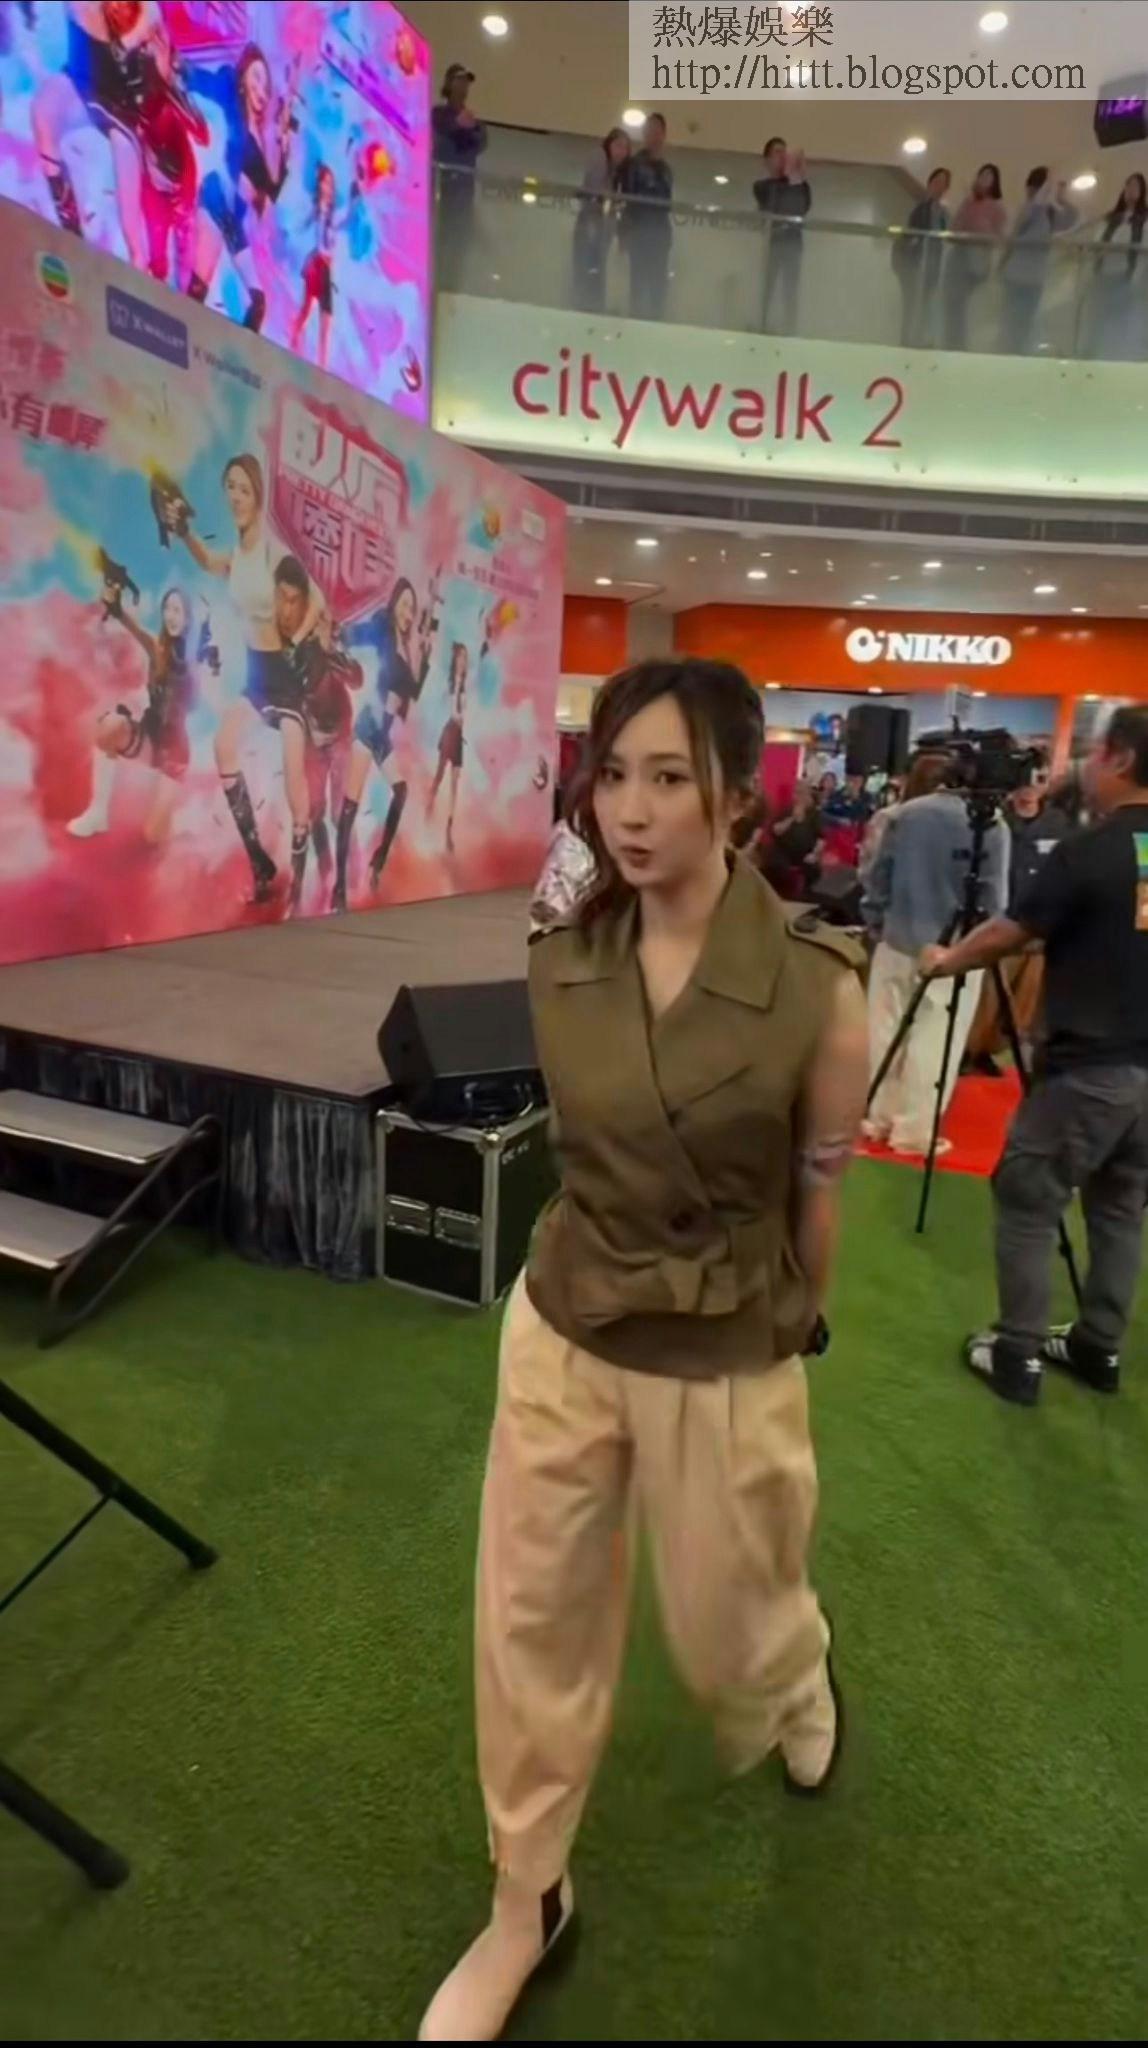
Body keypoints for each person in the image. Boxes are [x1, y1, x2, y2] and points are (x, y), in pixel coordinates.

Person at [417, 657, 868, 2043]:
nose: (631, 807)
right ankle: (527, 1898)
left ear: (735, 795)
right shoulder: (563, 956)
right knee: (531, 1623)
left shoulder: (818, 989)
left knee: (734, 1634)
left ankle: (798, 1662)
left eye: (669, 777)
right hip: (568, 1321)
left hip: (725, 1342)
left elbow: (817, 1194)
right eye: (612, 773)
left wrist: (794, 1325)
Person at [920, 707, 1148, 1407]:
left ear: (1118, 757)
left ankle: (1015, 1351)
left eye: (1095, 752)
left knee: (1028, 1198)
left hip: (1088, 1066)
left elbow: (1010, 932)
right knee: (1121, 1207)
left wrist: (945, 961)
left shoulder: (1092, 850)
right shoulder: (1128, 851)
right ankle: (1098, 1345)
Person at [169, 454, 323, 906]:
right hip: (256, 675)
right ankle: (260, 861)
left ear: (259, 495)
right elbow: (208, 561)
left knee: (294, 779)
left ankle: (298, 872)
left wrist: (296, 639)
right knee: (224, 747)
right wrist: (184, 531)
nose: (235, 497)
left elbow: (315, 601)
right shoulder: (238, 555)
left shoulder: (275, 553)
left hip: (284, 676)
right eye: (230, 488)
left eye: (244, 489)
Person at [863, 758, 1010, 1155]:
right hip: (958, 950)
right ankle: (914, 1130)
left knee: (884, 1030)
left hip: (897, 939)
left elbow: (877, 876)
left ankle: (878, 1117)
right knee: (937, 1037)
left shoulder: (902, 816)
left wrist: (876, 920)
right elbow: (995, 897)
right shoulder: (992, 824)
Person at [332, 571, 443, 912]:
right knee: (350, 806)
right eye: (405, 604)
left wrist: (426, 656)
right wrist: (341, 635)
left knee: (401, 791)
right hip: (369, 726)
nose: (408, 612)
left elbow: (413, 691)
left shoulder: (404, 649)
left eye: (412, 608)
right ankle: (339, 886)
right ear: (394, 603)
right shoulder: (381, 629)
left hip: (382, 734)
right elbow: (356, 635)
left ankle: (377, 860)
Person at [69, 571, 195, 846]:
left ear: (188, 618)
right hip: (151, 738)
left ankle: (179, 818)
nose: (171, 615)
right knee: (110, 726)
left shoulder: (195, 661)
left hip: (174, 754)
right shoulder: (157, 648)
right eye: (168, 608)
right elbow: (127, 620)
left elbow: (202, 696)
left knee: (153, 837)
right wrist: (113, 601)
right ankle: (98, 813)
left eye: (178, 610)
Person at [33, 0, 163, 263]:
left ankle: (140, 268)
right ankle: (70, 226)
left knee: (131, 228)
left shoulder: (146, 15)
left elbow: (152, 24)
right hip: (80, 85)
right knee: (43, 110)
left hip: (122, 109)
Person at [186, 40, 296, 332]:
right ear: (244, 77)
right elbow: (200, 80)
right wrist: (177, 67)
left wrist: (283, 146)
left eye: (266, 86)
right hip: (217, 199)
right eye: (256, 78)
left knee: (255, 301)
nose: (261, 90)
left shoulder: (262, 137)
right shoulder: (230, 96)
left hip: (233, 215)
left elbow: (271, 190)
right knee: (199, 290)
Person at [998, 166, 1078, 355]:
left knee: (1027, 320)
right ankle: (1007, 352)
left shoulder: (1051, 214)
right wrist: (1037, 203)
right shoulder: (1028, 208)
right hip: (1016, 273)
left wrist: (1061, 199)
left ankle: (1019, 353)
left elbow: (1071, 219)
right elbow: (1018, 228)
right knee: (1010, 319)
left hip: (1035, 277)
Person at [290, 162, 355, 369]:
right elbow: (302, 227)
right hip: (317, 265)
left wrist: (354, 201)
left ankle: (322, 367)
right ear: (320, 185)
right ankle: (294, 339)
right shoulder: (318, 211)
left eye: (331, 184)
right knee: (308, 311)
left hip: (326, 268)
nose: (329, 187)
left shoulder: (332, 212)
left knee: (326, 319)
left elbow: (344, 221)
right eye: (325, 183)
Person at [432, 61, 487, 291]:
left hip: (463, 196)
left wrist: (467, 129)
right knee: (439, 244)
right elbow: (440, 142)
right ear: (449, 83)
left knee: (458, 247)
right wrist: (458, 127)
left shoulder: (475, 123)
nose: (464, 86)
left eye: (466, 82)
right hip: (441, 193)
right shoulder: (437, 115)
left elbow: (479, 143)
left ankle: (452, 288)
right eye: (460, 80)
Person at [943, 163, 1007, 351]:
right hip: (957, 259)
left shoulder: (997, 208)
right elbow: (953, 230)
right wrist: (968, 204)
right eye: (982, 175)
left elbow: (998, 238)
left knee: (964, 305)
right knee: (951, 302)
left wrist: (980, 223)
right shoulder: (967, 202)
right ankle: (950, 343)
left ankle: (961, 345)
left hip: (977, 263)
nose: (984, 179)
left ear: (995, 182)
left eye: (989, 176)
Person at [753, 136, 811, 335]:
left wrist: (796, 176)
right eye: (777, 152)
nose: (783, 157)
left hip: (793, 245)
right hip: (772, 243)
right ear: (767, 159)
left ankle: (789, 329)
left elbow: (803, 207)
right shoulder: (762, 186)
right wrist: (787, 176)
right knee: (766, 288)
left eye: (784, 153)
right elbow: (772, 203)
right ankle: (762, 325)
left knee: (790, 289)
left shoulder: (797, 184)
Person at [1087, 173, 1148, 361]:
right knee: (1098, 322)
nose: (1131, 190)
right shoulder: (1111, 218)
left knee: (1121, 324)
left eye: (1136, 186)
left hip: (1126, 277)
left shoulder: (1144, 220)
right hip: (1104, 275)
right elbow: (1097, 240)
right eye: (1128, 185)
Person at [619, 111, 673, 321]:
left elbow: (666, 203)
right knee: (638, 283)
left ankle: (656, 323)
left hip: (660, 235)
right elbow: (628, 199)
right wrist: (624, 233)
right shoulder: (634, 164)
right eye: (650, 131)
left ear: (663, 135)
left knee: (658, 286)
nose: (654, 136)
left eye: (657, 131)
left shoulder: (666, 170)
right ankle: (636, 323)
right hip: (639, 234)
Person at [426, 637, 477, 854]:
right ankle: (429, 804)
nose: (463, 661)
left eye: (465, 657)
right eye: (460, 657)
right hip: (450, 732)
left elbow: (465, 714)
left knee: (455, 782)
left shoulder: (466, 683)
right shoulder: (451, 683)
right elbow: (454, 714)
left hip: (459, 735)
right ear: (455, 659)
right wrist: (456, 687)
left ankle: (449, 827)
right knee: (440, 774)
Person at [572, 125, 630, 312]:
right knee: (588, 271)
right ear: (609, 145)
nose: (621, 152)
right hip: (590, 227)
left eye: (625, 148)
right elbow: (595, 194)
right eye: (618, 146)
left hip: (601, 231)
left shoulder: (616, 174)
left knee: (596, 272)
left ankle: (591, 308)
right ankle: (583, 308)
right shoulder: (600, 159)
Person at [892, 166, 951, 347]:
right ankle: (908, 340)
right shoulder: (920, 209)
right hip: (916, 265)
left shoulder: (943, 213)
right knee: (912, 303)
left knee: (927, 303)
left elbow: (945, 237)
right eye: (936, 182)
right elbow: (912, 235)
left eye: (943, 183)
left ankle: (922, 339)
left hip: (932, 266)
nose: (938, 187)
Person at [761, 779, 823, 898]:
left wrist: (814, 853)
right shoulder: (786, 810)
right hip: (783, 851)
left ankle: (806, 897)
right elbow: (775, 830)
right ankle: (774, 896)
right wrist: (792, 818)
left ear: (808, 796)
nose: (799, 797)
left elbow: (821, 838)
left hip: (805, 853)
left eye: (802, 793)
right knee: (773, 862)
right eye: (796, 793)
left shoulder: (814, 814)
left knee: (814, 869)